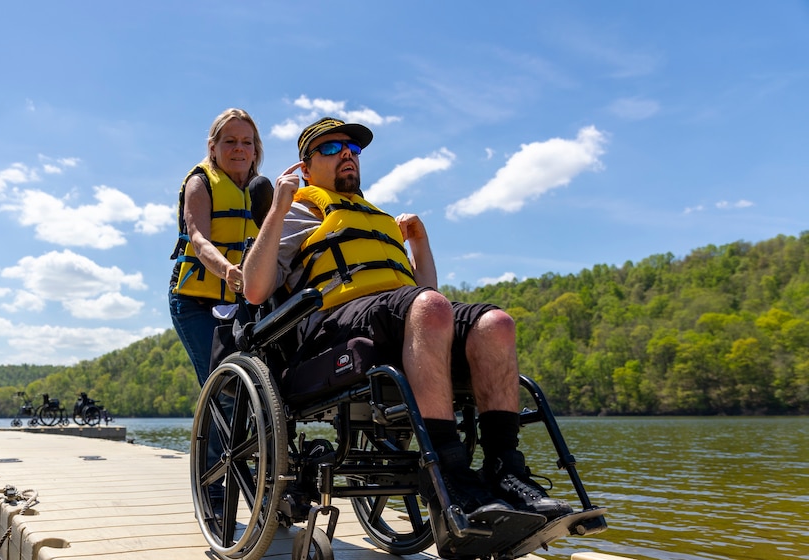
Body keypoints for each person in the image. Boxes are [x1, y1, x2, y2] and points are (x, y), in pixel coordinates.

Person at [243, 117, 572, 522]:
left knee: (495, 324)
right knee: (428, 308)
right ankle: (449, 476)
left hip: (400, 314)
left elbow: (429, 299)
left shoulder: (377, 217)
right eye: (331, 148)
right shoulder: (297, 213)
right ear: (305, 168)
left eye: (353, 148)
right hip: (337, 323)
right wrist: (277, 207)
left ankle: (506, 470)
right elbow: (255, 290)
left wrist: (419, 243)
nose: (347, 153)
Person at [168, 108, 274, 385]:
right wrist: (227, 269)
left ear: (255, 150)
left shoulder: (262, 190)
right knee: (222, 386)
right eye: (230, 141)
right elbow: (199, 240)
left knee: (256, 389)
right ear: (213, 148)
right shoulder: (200, 182)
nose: (239, 148)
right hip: (195, 302)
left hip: (244, 302)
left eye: (246, 142)